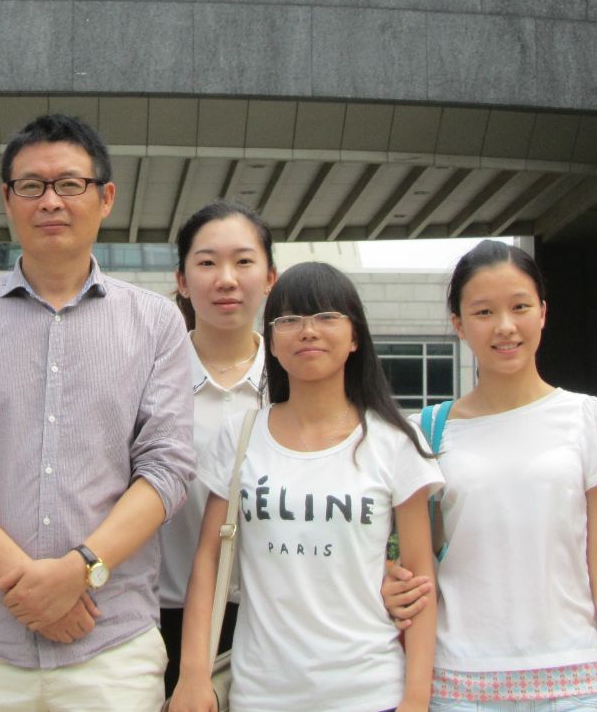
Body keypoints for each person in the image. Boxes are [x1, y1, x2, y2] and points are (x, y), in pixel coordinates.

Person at [0, 113, 195, 710]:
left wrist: (78, 571)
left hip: (111, 648)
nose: (51, 201)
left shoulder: (156, 323)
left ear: (105, 197)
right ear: (7, 199)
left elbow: (167, 469)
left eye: (69, 184)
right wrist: (33, 587)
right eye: (31, 186)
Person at [169, 261, 443, 712]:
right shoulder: (241, 436)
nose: (308, 331)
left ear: (355, 337)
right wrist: (193, 675)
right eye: (290, 319)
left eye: (327, 316)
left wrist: (416, 699)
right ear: (272, 342)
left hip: (371, 692)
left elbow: (419, 578)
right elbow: (208, 560)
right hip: (261, 695)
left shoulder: (394, 441)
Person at [379, 241, 597, 712]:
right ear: (458, 324)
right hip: (459, 685)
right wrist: (391, 582)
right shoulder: (426, 431)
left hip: (574, 683)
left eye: (520, 307)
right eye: (483, 312)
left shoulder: (588, 417)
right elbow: (415, 561)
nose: (505, 326)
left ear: (543, 312)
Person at [158, 201, 276, 695]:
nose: (226, 279)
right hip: (157, 621)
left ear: (270, 278)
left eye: (244, 261)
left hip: (272, 623)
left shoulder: (296, 385)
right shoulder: (149, 380)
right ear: (182, 281)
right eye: (207, 262)